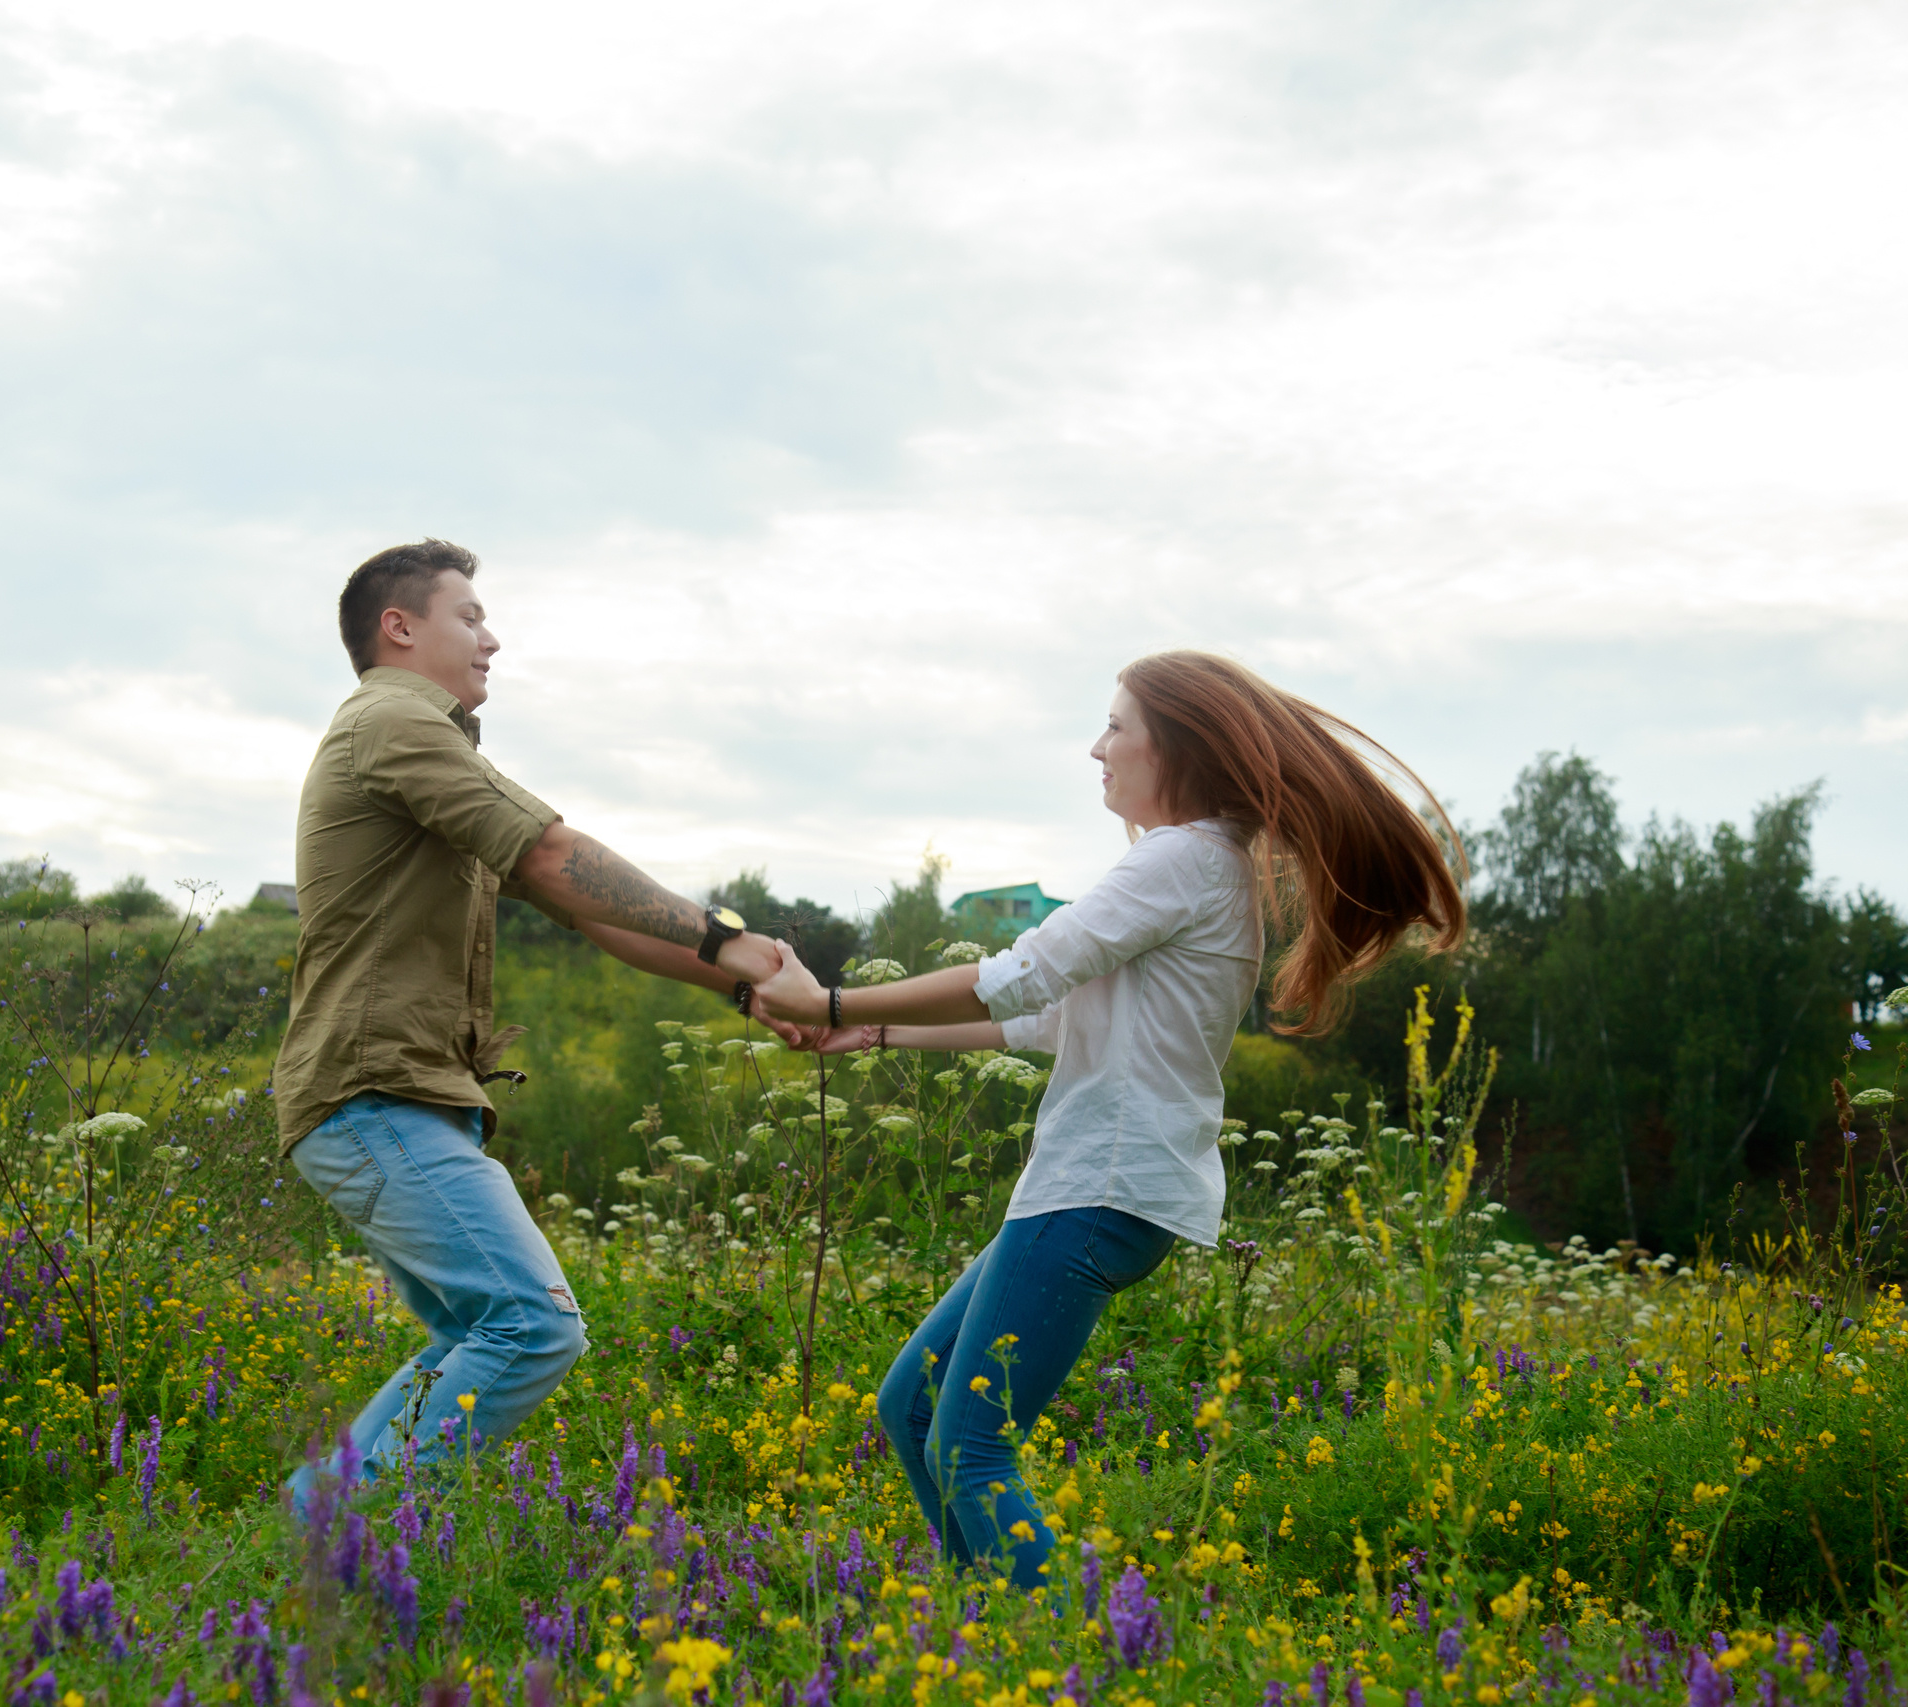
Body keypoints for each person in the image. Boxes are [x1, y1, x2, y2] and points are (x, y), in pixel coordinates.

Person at [751, 650, 1464, 1590]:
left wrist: (832, 1002)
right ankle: (989, 1643)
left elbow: (1025, 972)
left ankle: (1070, 1661)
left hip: (1099, 1188)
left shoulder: (1185, 859)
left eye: (1118, 725)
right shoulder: (1204, 868)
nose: (1098, 746)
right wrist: (878, 1031)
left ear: (1179, 745)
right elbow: (1049, 1015)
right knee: (916, 1411)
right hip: (1100, 1188)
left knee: (971, 1449)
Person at [275, 538, 794, 1511]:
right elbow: (557, 856)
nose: (492, 639)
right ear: (399, 627)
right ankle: (332, 1536)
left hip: (396, 1098)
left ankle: (317, 1528)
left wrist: (742, 986)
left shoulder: (426, 751)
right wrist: (729, 940)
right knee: (531, 1325)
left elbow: (583, 909)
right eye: (468, 616)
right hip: (373, 1095)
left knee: (476, 1333)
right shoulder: (392, 723)